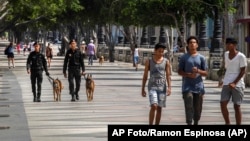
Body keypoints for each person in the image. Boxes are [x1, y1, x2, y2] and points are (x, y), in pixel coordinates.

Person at [177, 36, 208, 125]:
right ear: (188, 45)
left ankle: (196, 121)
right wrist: (188, 75)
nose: (192, 44)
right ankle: (189, 122)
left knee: (197, 108)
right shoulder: (184, 57)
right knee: (189, 104)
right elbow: (179, 71)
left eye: (194, 42)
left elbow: (206, 73)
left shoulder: (202, 58)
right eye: (190, 42)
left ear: (197, 45)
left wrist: (198, 71)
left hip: (198, 87)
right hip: (187, 86)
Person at [141, 43, 172, 125]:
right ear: (155, 51)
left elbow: (168, 75)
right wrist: (143, 88)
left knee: (159, 108)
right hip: (152, 87)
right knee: (154, 105)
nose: (161, 53)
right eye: (159, 51)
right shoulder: (149, 61)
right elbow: (145, 76)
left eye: (162, 52)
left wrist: (169, 87)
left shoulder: (166, 62)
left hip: (162, 87)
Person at [220, 37, 247, 125]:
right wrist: (221, 79)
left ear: (234, 45)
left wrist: (235, 83)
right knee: (223, 103)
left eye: (229, 44)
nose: (227, 45)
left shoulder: (241, 56)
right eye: (226, 44)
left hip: (238, 84)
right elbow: (225, 68)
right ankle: (227, 123)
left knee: (237, 106)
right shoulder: (226, 54)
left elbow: (243, 70)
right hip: (227, 82)